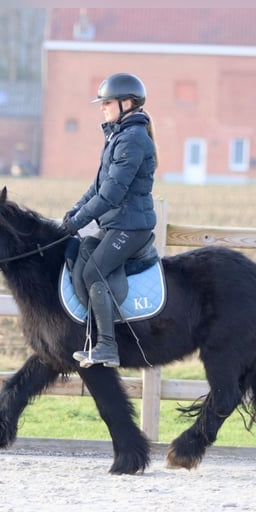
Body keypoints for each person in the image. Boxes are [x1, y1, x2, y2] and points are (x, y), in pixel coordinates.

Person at [58, 72, 158, 368]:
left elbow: (111, 195)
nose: (102, 107)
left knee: (94, 273)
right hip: (116, 224)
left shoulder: (133, 141)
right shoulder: (118, 137)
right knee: (85, 253)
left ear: (127, 103)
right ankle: (91, 338)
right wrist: (74, 212)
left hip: (131, 226)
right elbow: (97, 186)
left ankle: (108, 347)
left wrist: (78, 222)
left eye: (107, 102)